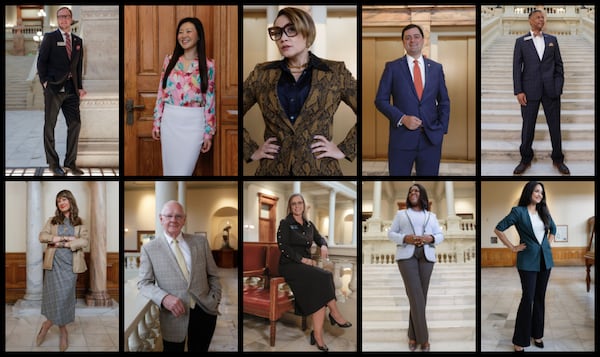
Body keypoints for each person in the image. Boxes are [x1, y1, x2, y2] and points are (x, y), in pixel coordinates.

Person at [243, 6, 357, 176]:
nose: (283, 38)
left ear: (307, 33)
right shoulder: (262, 74)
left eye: (291, 30)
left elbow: (369, 107)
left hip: (320, 169)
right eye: (278, 32)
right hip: (274, 169)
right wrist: (250, 150)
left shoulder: (335, 72)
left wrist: (344, 149)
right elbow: (230, 112)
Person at [138, 200, 221, 352]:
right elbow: (144, 283)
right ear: (161, 218)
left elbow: (213, 275)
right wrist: (164, 298)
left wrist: (215, 299)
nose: (173, 220)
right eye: (169, 216)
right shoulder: (150, 249)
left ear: (184, 219)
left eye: (178, 216)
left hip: (205, 310)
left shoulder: (200, 242)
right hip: (173, 315)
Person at [277, 193, 352, 352]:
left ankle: (317, 334)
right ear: (290, 207)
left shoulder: (309, 225)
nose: (297, 206)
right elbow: (283, 247)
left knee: (320, 291)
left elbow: (320, 238)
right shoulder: (285, 223)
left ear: (304, 205)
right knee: (325, 276)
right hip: (290, 265)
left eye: (299, 203)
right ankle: (335, 313)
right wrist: (303, 260)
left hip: (305, 268)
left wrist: (323, 245)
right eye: (293, 204)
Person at [375, 24, 451, 176]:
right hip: (402, 139)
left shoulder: (436, 68)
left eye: (416, 37)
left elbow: (444, 101)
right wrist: (402, 118)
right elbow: (380, 100)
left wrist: (441, 128)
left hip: (431, 140)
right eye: (407, 38)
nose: (412, 41)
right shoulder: (392, 68)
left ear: (423, 40)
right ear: (403, 42)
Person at [493, 181, 555, 352]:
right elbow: (498, 229)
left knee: (540, 298)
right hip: (527, 261)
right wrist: (512, 247)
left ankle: (538, 334)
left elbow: (554, 230)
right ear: (529, 192)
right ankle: (520, 339)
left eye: (541, 192)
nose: (539, 195)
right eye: (536, 191)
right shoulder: (518, 212)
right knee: (528, 298)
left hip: (545, 261)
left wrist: (547, 245)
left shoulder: (544, 212)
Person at [151, 17, 216, 176]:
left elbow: (210, 100)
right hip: (170, 121)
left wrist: (208, 133)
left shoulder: (209, 65)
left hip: (194, 123)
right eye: (180, 32)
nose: (183, 35)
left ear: (198, 35)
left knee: (185, 171)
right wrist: (156, 122)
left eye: (188, 31)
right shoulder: (169, 61)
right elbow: (161, 92)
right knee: (170, 172)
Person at [387, 183, 444, 352]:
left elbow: (441, 235)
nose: (413, 192)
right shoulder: (401, 214)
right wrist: (406, 238)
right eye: (411, 191)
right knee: (416, 295)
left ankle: (412, 336)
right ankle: (424, 339)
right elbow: (391, 233)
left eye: (416, 190)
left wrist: (431, 238)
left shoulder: (431, 216)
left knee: (421, 297)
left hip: (427, 255)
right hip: (407, 256)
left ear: (422, 195)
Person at [512, 9, 569, 175]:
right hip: (529, 91)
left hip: (551, 91)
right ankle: (525, 158)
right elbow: (517, 68)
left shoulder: (552, 40)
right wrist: (519, 90)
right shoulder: (521, 41)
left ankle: (558, 159)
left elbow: (559, 66)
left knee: (555, 127)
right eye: (537, 17)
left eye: (543, 17)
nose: (541, 19)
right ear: (530, 20)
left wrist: (558, 86)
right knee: (528, 127)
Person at [37, 189, 89, 352]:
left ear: (71, 201)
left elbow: (85, 241)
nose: (61, 203)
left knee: (65, 299)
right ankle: (62, 331)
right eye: (59, 200)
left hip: (70, 267)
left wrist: (68, 243)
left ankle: (47, 325)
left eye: (64, 199)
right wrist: (58, 238)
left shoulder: (80, 222)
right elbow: (42, 236)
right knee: (54, 298)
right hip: (53, 265)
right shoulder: (52, 221)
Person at [37, 7, 87, 176]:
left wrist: (79, 86)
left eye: (66, 16)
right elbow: (41, 61)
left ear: (71, 18)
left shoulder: (78, 41)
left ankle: (70, 163)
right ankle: (53, 163)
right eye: (60, 17)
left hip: (71, 90)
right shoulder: (50, 38)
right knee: (50, 126)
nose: (63, 19)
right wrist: (44, 82)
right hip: (54, 89)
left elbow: (78, 67)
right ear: (57, 20)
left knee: (75, 124)